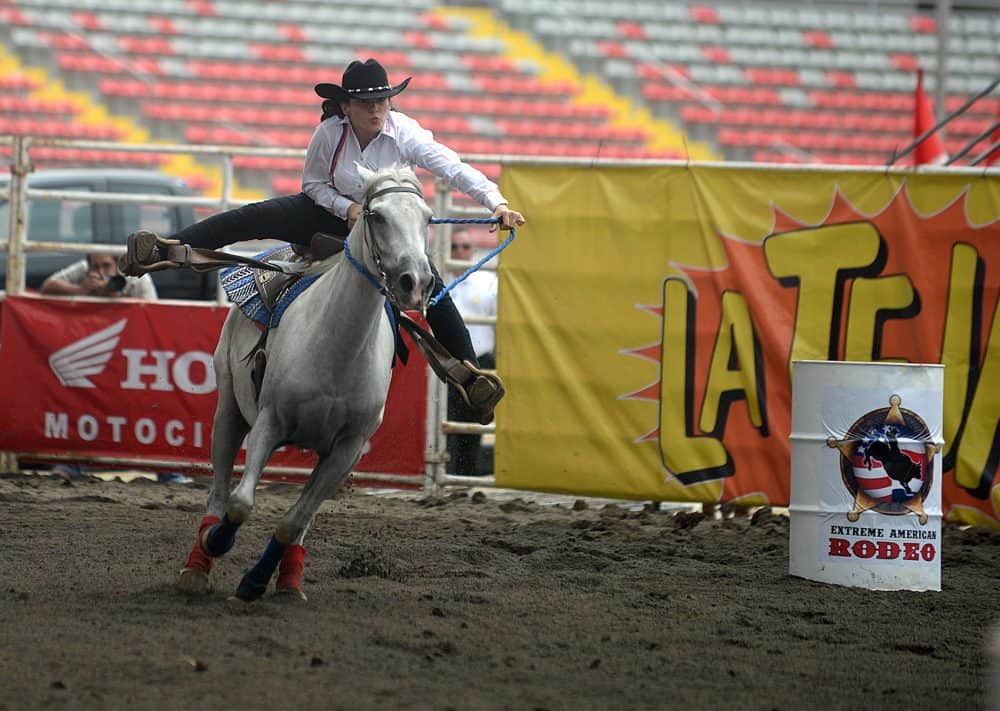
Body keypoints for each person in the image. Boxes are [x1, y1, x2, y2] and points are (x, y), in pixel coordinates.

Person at [117, 57, 525, 424]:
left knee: (431, 288)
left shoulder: (406, 133)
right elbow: (312, 185)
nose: (376, 109)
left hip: (382, 227)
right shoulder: (330, 133)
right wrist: (344, 208)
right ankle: (166, 249)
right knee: (252, 218)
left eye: (382, 101)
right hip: (327, 214)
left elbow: (452, 167)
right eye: (367, 102)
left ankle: (470, 379)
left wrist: (497, 202)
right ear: (346, 106)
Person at [41, 253, 192, 485]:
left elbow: (155, 316)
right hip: (96, 353)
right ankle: (69, 463)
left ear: (117, 265)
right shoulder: (83, 271)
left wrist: (116, 297)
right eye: (96, 266)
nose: (101, 271)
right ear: (88, 266)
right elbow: (48, 286)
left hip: (135, 352)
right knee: (82, 406)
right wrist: (82, 291)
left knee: (148, 411)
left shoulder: (137, 278)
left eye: (106, 266)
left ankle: (168, 470)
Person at [446, 228, 497, 475]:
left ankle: (465, 478)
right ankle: (448, 476)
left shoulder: (489, 282)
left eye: (465, 247)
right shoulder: (438, 283)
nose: (459, 251)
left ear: (473, 251)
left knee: (473, 425)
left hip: (479, 363)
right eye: (454, 247)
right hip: (445, 365)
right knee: (444, 423)